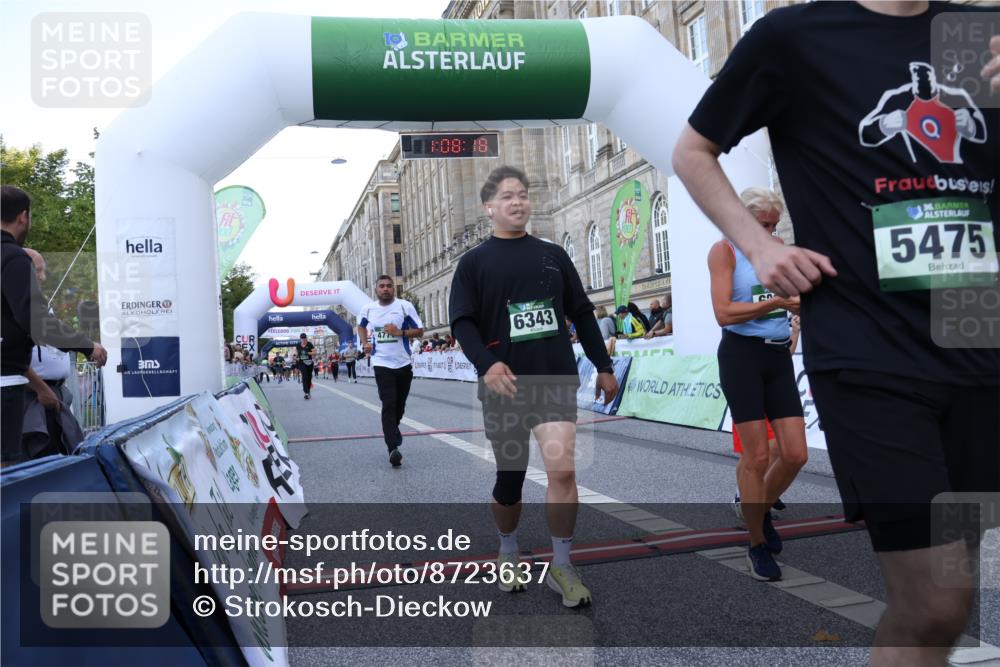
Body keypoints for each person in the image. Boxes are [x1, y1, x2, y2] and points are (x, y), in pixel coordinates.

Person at [674, 3, 999, 660]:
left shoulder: (980, 30)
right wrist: (759, 250)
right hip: (869, 351)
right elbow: (692, 150)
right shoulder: (796, 36)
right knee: (932, 601)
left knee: (954, 598)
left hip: (979, 348)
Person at [450, 166, 619, 607]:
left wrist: (602, 364)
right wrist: (486, 364)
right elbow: (462, 323)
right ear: (489, 208)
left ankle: (561, 565)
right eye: (507, 197)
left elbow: (582, 311)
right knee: (512, 479)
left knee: (563, 471)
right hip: (504, 385)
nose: (518, 202)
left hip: (553, 377)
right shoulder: (473, 263)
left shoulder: (553, 255)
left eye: (522, 194)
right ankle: (508, 550)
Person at [708, 188, 808, 583]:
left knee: (796, 454)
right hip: (741, 356)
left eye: (773, 224)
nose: (769, 230)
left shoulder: (779, 248)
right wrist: (778, 303)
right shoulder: (724, 251)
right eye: (762, 224)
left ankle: (758, 508)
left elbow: (796, 294)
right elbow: (723, 313)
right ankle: (756, 543)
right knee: (756, 458)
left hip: (777, 355)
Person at [1, 186, 107, 467]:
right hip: (7, 384)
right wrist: (86, 345)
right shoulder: (12, 257)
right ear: (23, 217)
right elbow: (35, 321)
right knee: (6, 474)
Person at [21, 249, 84, 458]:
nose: (42, 277)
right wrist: (42, 389)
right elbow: (10, 358)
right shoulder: (14, 304)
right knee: (35, 458)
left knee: (60, 454)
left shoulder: (37, 303)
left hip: (51, 392)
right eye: (38, 271)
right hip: (32, 396)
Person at [358, 275, 424, 466]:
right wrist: (365, 344)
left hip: (403, 363)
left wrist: (400, 333)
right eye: (381, 286)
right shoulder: (368, 309)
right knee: (388, 403)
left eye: (388, 286)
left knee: (399, 406)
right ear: (376, 289)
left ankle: (393, 431)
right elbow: (360, 327)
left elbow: (419, 330)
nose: (385, 289)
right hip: (381, 363)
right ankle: (392, 448)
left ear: (393, 289)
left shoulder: (404, 306)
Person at [294, 334, 315, 399]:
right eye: (302, 339)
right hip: (302, 363)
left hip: (309, 363)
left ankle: (308, 391)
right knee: (304, 376)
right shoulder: (298, 345)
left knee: (309, 377)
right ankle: (306, 392)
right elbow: (296, 355)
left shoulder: (309, 344)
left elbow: (314, 352)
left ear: (306, 338)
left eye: (304, 338)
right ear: (300, 339)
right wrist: (295, 358)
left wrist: (307, 352)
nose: (303, 340)